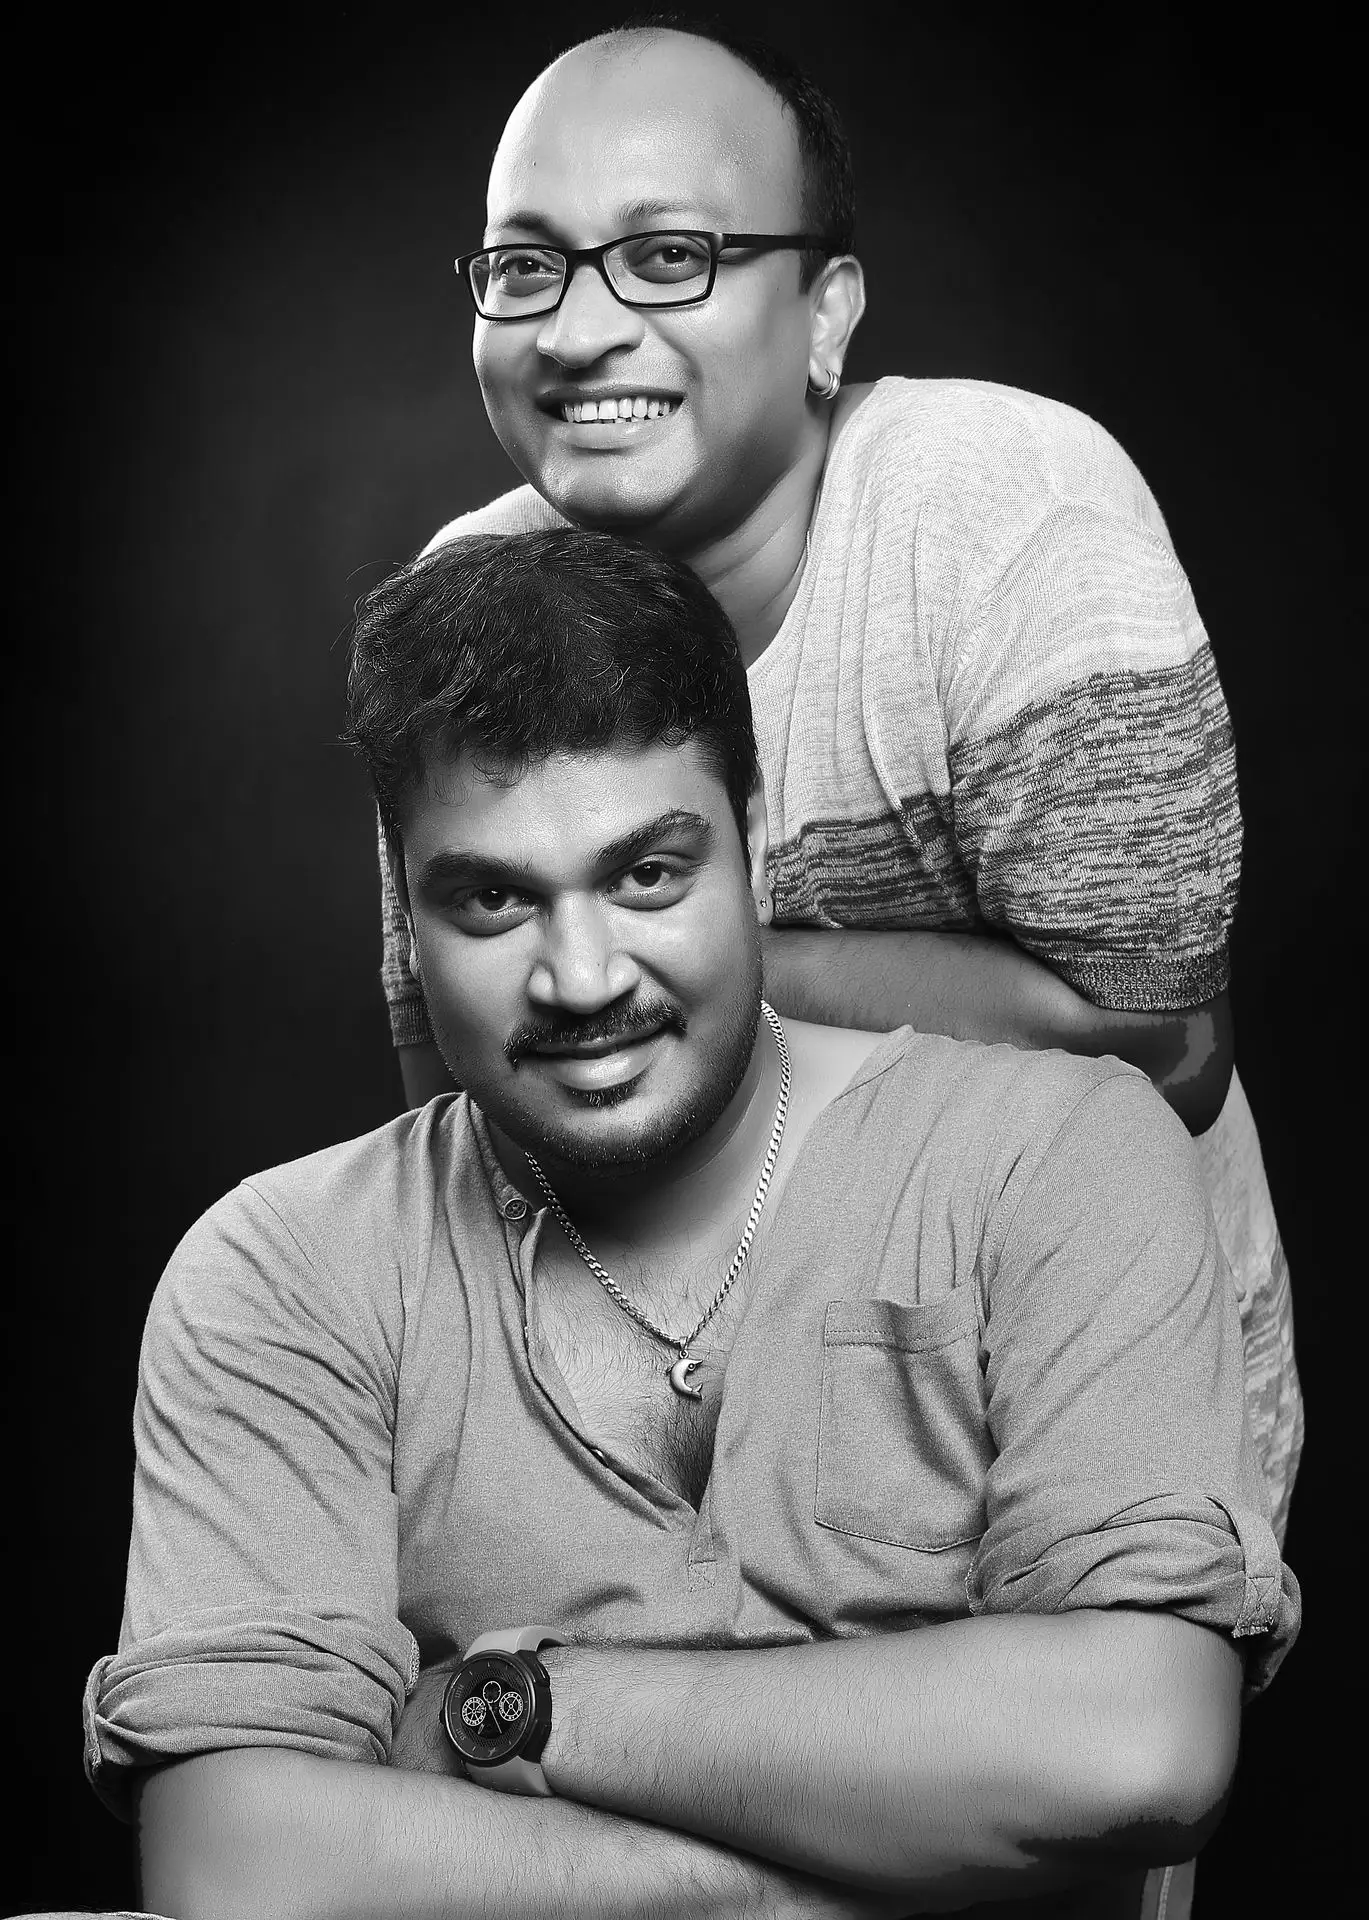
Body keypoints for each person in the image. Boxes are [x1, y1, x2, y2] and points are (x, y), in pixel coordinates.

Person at [86, 530, 1297, 1920]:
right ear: (405, 912)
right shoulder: (282, 1272)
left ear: (756, 847)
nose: (584, 977)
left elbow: (1141, 1746)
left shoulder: (1060, 1155)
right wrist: (856, 1874)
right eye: (493, 899)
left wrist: (512, 1710)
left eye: (648, 876)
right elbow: (235, 1871)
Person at [385, 16, 1301, 1542]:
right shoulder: (468, 601)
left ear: (824, 315)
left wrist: (705, 973)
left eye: (669, 254)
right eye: (526, 266)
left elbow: (1157, 1031)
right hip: (655, 1412)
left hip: (1063, 1373)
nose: (575, 328)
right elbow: (464, 1091)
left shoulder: (1006, 519)